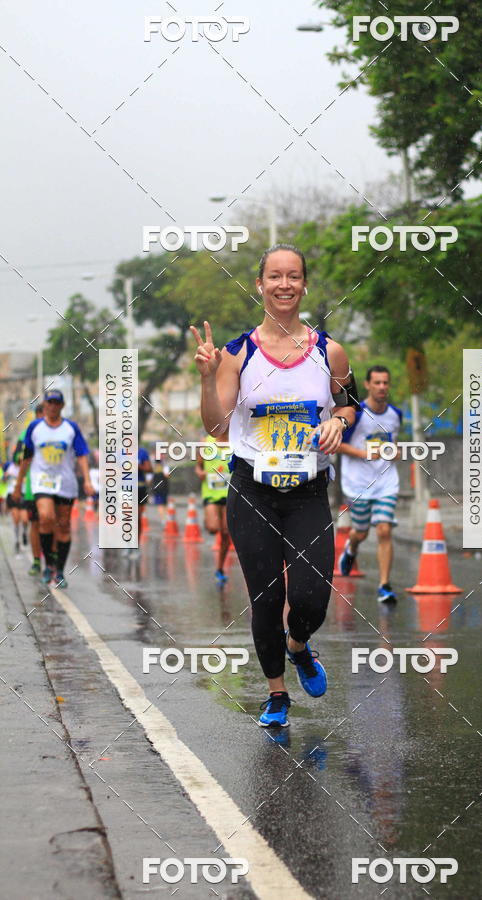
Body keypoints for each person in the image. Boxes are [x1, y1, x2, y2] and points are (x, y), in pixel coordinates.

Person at [191, 243, 358, 728]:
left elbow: (348, 404)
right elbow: (217, 428)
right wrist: (207, 379)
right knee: (265, 597)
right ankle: (277, 694)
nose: (284, 285)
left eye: (293, 276)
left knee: (312, 596)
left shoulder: (330, 352)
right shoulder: (237, 354)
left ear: (304, 285)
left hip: (308, 492)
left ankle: (298, 644)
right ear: (260, 285)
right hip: (253, 492)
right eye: (275, 276)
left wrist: (339, 423)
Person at [12, 389, 94, 588]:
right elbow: (26, 458)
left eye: (57, 403)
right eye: (50, 402)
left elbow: (82, 454)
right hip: (42, 481)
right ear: (45, 405)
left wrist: (87, 480)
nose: (53, 406)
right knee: (46, 517)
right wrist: (18, 484)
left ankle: (60, 571)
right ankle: (48, 565)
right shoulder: (35, 427)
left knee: (63, 525)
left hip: (65, 482)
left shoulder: (71, 428)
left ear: (62, 406)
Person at [337, 365, 403, 602]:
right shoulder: (357, 414)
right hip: (358, 484)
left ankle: (384, 585)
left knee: (384, 529)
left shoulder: (396, 414)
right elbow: (337, 444)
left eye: (385, 382)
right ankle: (351, 547)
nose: (382, 387)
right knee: (362, 532)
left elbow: (393, 443)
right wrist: (363, 454)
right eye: (377, 383)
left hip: (386, 482)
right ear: (367, 385)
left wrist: (395, 452)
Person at [195, 432, 232, 584]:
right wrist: (200, 473)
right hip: (210, 492)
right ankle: (208, 521)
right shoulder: (205, 442)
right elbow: (198, 467)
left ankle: (220, 568)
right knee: (213, 527)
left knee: (226, 533)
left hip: (229, 493)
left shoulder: (235, 441)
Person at [14, 404, 45, 575]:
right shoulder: (27, 434)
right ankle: (36, 560)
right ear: (38, 415)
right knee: (35, 523)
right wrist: (18, 485)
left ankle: (52, 561)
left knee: (52, 523)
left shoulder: (60, 430)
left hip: (55, 487)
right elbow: (17, 458)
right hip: (33, 487)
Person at [137, 445, 152, 541]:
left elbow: (149, 468)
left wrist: (139, 466)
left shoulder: (142, 452)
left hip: (139, 488)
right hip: (125, 488)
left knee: (137, 516)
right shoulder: (121, 453)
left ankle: (136, 542)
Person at [152, 449, 170, 518]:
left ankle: (163, 518)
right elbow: (167, 475)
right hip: (164, 487)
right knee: (164, 503)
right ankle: (165, 517)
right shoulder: (165, 466)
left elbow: (149, 479)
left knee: (160, 504)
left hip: (157, 488)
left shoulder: (153, 467)